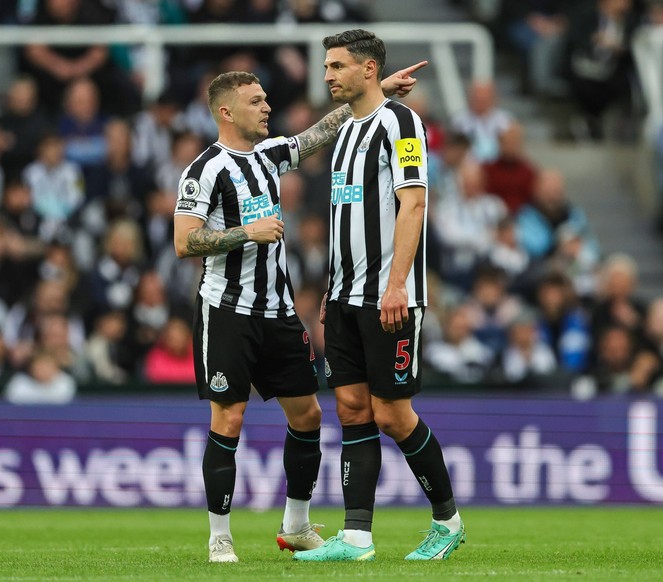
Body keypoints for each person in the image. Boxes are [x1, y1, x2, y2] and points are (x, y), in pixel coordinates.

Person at [173, 64, 423, 563]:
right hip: (227, 309)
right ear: (226, 111)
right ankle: (219, 536)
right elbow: (184, 242)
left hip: (279, 312)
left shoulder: (268, 154)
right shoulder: (205, 170)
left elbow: (316, 135)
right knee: (230, 416)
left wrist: (376, 91)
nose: (267, 107)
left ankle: (296, 524)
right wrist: (248, 232)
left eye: (266, 99)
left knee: (308, 415)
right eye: (255, 101)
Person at [293, 29, 464, 563]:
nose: (327, 76)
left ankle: (448, 522)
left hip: (389, 296)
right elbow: (343, 218)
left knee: (393, 414)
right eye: (325, 67)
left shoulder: (403, 124)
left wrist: (397, 285)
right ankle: (357, 538)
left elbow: (413, 205)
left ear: (367, 69)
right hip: (342, 296)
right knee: (351, 409)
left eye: (337, 66)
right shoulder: (346, 129)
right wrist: (328, 290)